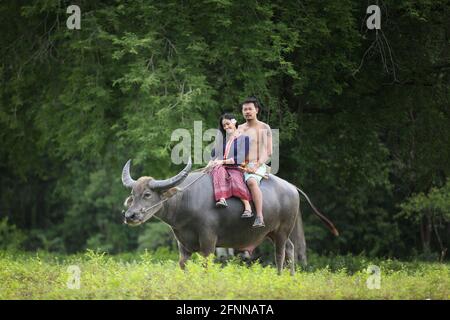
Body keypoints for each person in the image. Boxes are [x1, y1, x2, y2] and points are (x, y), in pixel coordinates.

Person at [208, 113, 253, 218]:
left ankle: (248, 207)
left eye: (228, 124)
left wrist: (222, 162)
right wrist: (211, 161)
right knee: (217, 169)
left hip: (236, 167)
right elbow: (214, 154)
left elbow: (241, 158)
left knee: (234, 178)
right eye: (224, 126)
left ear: (234, 122)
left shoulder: (244, 139)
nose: (226, 127)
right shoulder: (224, 140)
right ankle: (222, 198)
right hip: (223, 167)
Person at [238, 96, 273, 228]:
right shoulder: (239, 128)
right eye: (245, 109)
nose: (247, 111)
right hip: (241, 165)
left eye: (250, 109)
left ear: (256, 110)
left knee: (251, 182)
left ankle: (259, 216)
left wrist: (256, 165)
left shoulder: (264, 127)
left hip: (257, 164)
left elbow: (268, 151)